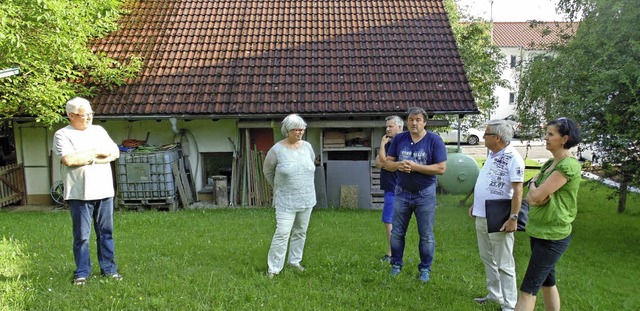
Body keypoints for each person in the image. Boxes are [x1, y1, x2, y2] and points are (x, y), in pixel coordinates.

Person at [52, 97, 122, 285]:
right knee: (82, 236)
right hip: (79, 194)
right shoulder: (62, 135)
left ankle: (109, 269)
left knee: (106, 233)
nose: (89, 118)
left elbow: (114, 152)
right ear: (71, 115)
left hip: (104, 191)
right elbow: (69, 160)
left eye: (91, 113)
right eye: (85, 115)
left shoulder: (99, 131)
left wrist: (87, 157)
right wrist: (96, 153)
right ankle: (82, 272)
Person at [515, 117, 581, 311]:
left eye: (551, 134)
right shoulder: (549, 164)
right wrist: (536, 192)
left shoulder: (567, 166)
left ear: (564, 139)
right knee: (547, 282)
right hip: (539, 230)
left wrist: (536, 189)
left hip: (552, 236)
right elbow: (532, 195)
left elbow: (535, 195)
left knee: (528, 290)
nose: (546, 137)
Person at [382, 107, 447, 282]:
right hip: (401, 192)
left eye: (418, 120)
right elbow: (387, 163)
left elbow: (441, 168)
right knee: (397, 233)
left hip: (424, 194)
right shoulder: (399, 139)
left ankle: (425, 269)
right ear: (407, 122)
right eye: (411, 119)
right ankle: (396, 264)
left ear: (424, 122)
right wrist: (398, 166)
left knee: (426, 234)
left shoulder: (434, 140)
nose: (414, 123)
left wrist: (416, 167)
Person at [469, 120, 525, 311]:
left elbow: (518, 191)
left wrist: (513, 217)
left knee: (504, 263)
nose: (483, 137)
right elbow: (488, 182)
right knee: (487, 258)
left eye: (486, 134)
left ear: (498, 138)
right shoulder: (493, 155)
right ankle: (494, 295)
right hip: (482, 214)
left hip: (500, 217)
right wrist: (475, 205)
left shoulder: (513, 158)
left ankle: (510, 305)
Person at [263, 113, 317, 278]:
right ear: (287, 130)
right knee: (282, 233)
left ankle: (294, 261)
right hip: (285, 200)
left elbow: (310, 166)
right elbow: (268, 171)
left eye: (302, 129)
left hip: (307, 198)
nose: (300, 132)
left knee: (300, 231)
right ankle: (274, 268)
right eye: (296, 129)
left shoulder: (307, 147)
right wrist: (279, 187)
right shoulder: (277, 150)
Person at [375, 115, 404, 261]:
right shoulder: (389, 144)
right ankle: (395, 253)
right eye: (386, 126)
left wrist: (381, 145)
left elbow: (385, 163)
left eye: (390, 126)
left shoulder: (401, 144)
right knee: (391, 221)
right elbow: (378, 163)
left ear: (400, 127)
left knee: (389, 221)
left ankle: (392, 254)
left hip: (396, 189)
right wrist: (382, 153)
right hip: (389, 188)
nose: (387, 129)